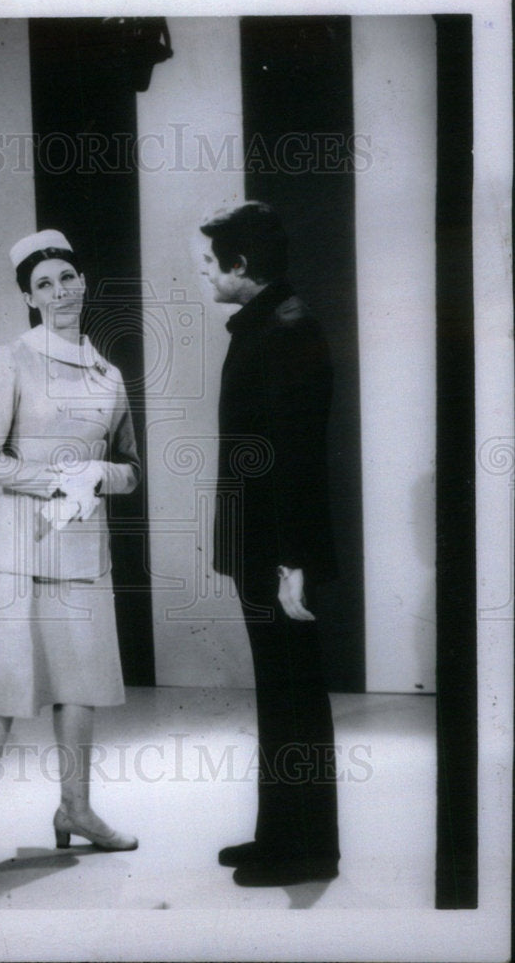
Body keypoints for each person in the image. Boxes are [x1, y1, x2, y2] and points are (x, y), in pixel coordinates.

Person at [0, 229, 140, 887]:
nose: (59, 291)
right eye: (43, 284)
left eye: (67, 278)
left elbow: (131, 468)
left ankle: (76, 809)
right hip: (20, 551)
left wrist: (95, 477)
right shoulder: (13, 358)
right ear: (28, 296)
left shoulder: (110, 376)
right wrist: (52, 479)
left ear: (82, 284)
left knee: (77, 689)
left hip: (81, 553)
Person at [197, 201, 340, 887]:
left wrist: (291, 563)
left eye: (209, 262)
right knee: (280, 694)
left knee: (292, 695)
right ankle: (279, 837)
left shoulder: (284, 328)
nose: (205, 273)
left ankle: (305, 850)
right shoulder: (268, 321)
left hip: (276, 552)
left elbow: (296, 457)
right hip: (263, 547)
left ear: (241, 264)